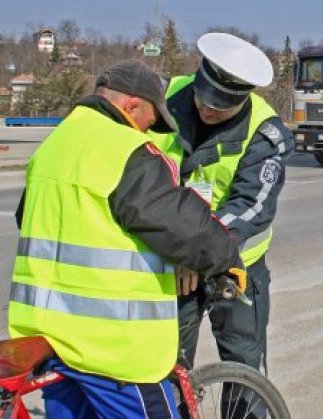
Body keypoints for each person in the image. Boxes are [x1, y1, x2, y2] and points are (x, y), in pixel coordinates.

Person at [9, 59, 246, 419]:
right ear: (131, 105)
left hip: (52, 338)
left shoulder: (54, 146)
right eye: (152, 118)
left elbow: (30, 220)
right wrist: (226, 257)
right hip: (113, 350)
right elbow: (180, 223)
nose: (152, 129)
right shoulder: (125, 149)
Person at [153, 32, 294, 396]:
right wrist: (183, 252)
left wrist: (196, 251)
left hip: (235, 267)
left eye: (221, 105)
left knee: (244, 371)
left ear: (244, 97)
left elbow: (251, 206)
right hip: (172, 266)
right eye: (204, 96)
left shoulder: (264, 132)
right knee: (163, 367)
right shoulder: (166, 98)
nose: (207, 108)